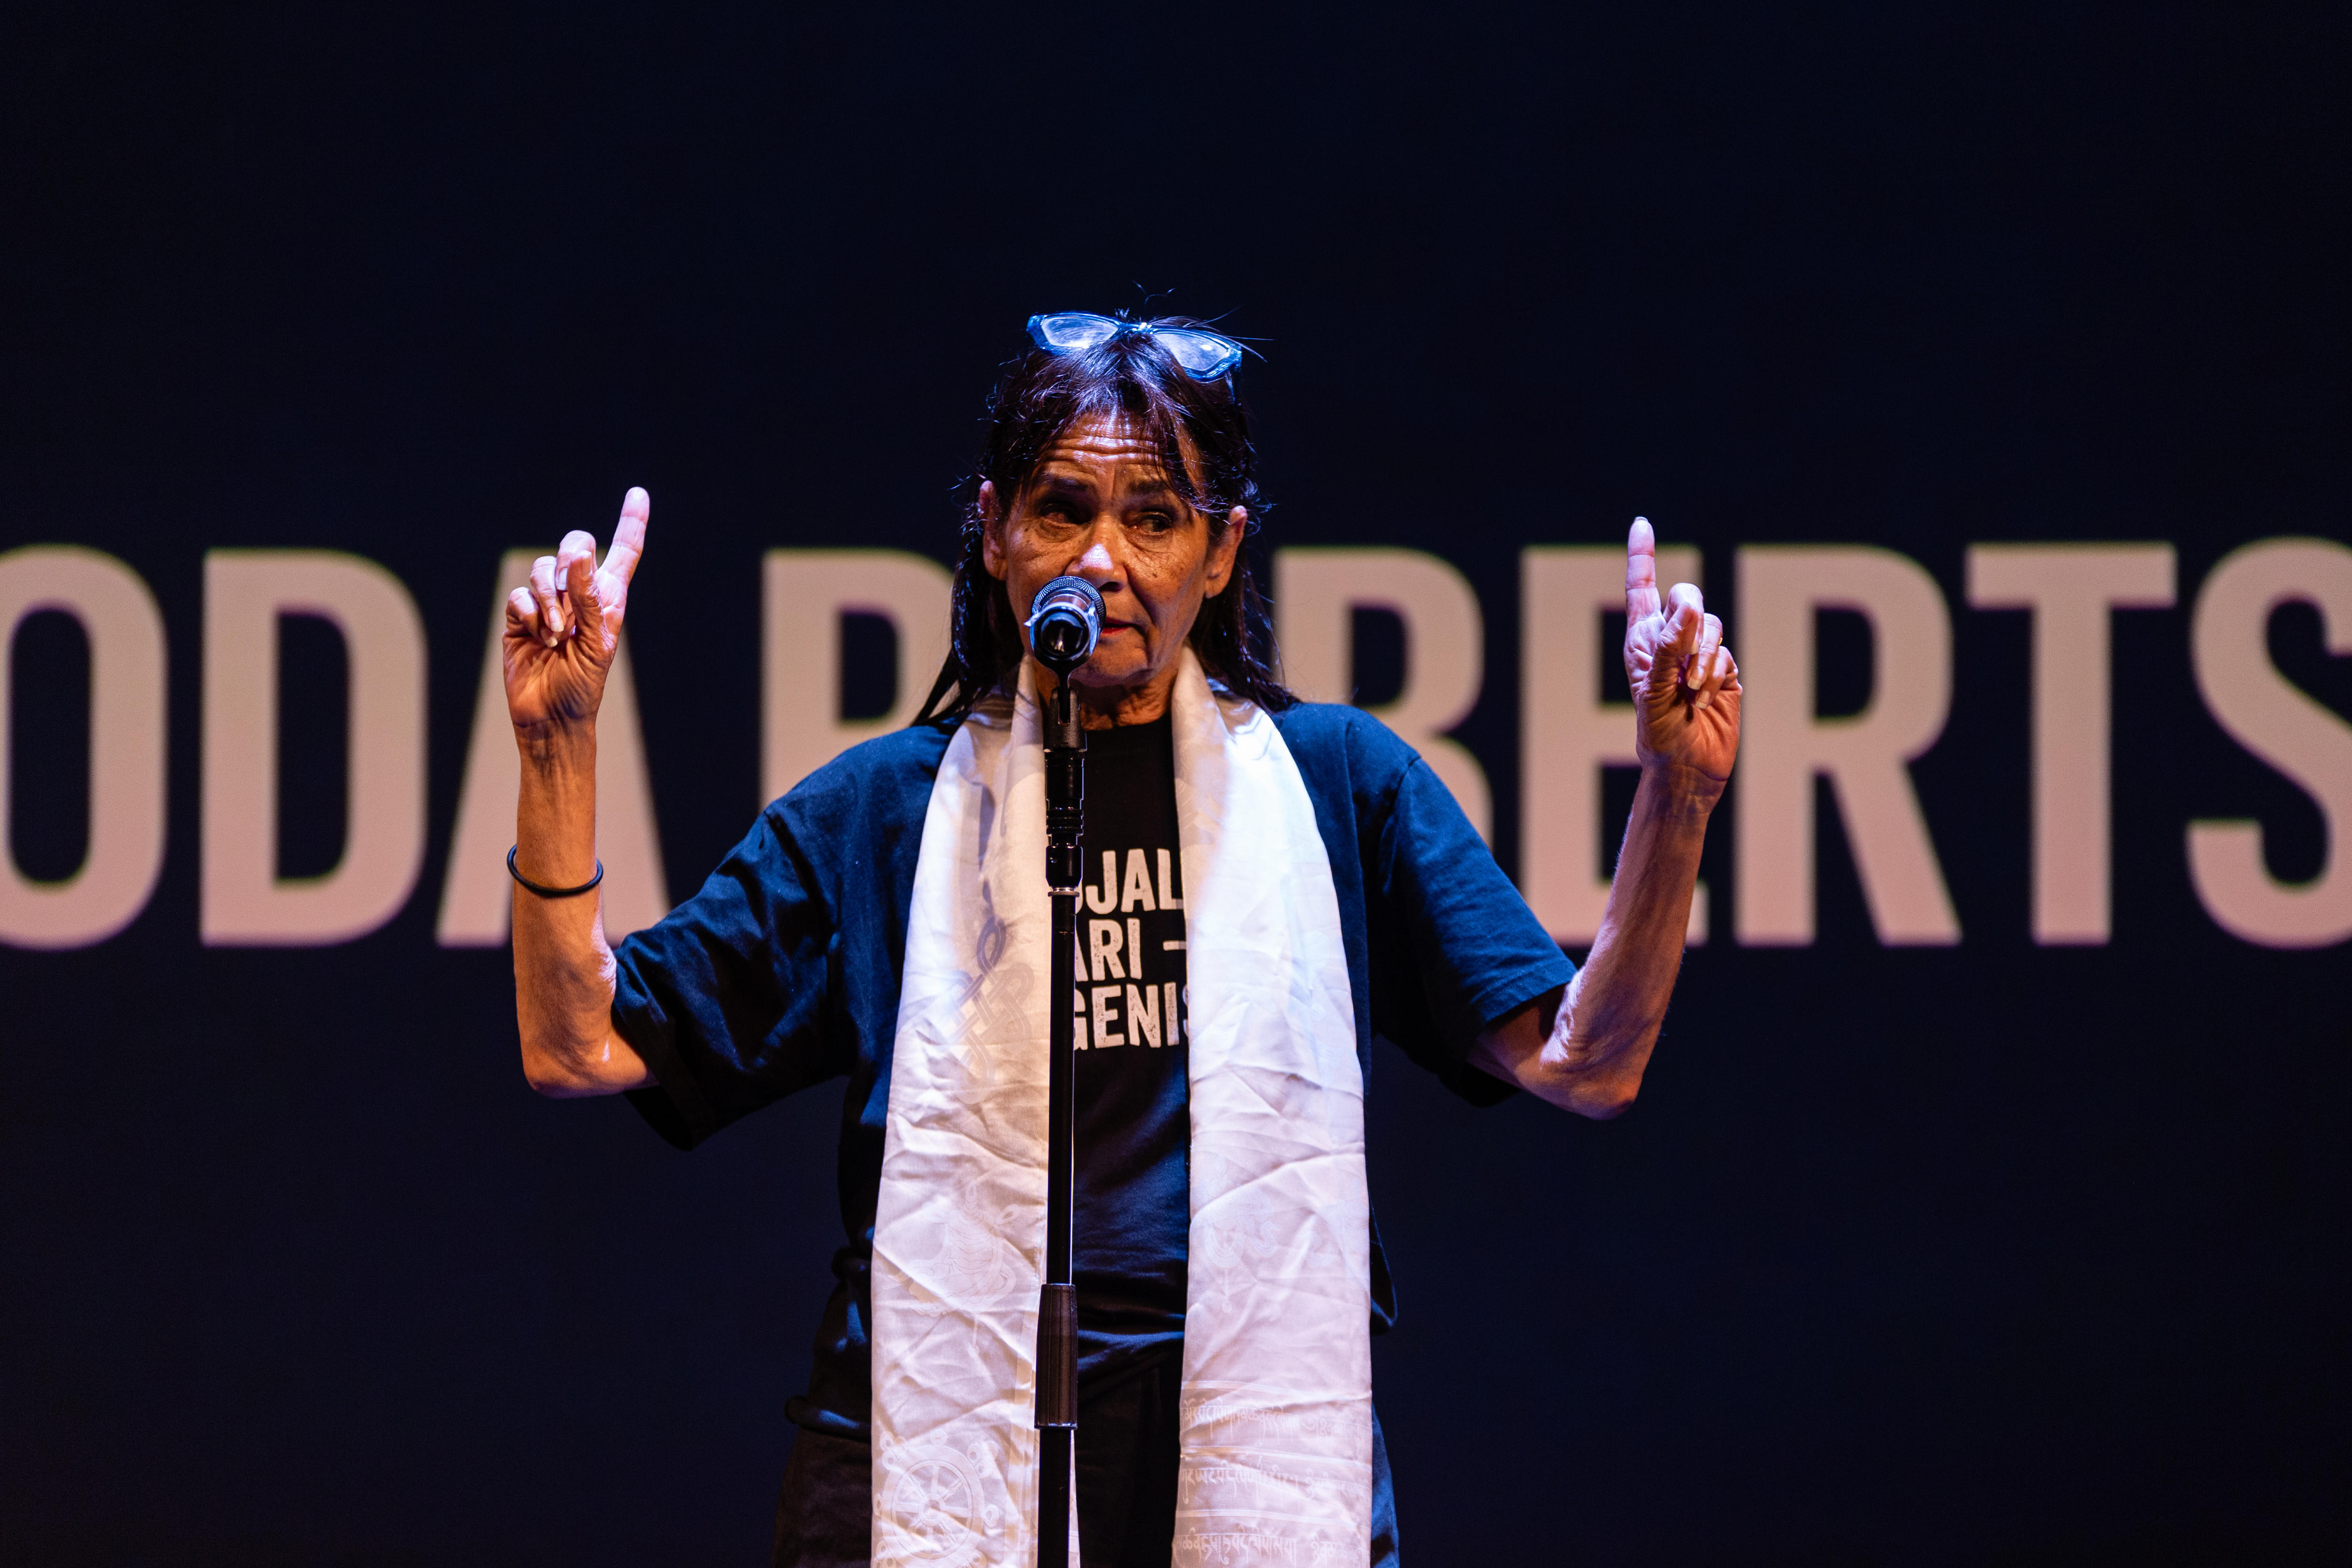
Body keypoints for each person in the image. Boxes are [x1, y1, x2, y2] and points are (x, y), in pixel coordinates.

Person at [502, 315, 1741, 1568]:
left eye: (1156, 516)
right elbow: (577, 1045)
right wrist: (557, 748)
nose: (1105, 557)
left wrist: (1677, 798)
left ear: (1223, 550)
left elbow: (1588, 1064)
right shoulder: (892, 809)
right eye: (1062, 510)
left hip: (1251, 1455)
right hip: (925, 1455)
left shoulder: (1334, 789)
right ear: (994, 534)